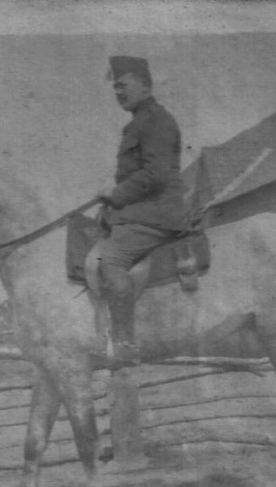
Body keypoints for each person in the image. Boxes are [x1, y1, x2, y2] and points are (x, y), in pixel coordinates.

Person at [95, 55, 186, 368]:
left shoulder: (157, 121)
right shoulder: (139, 122)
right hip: (143, 211)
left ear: (146, 86)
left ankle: (124, 343)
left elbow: (156, 174)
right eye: (115, 87)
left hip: (159, 213)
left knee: (110, 260)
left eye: (124, 85)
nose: (118, 91)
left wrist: (115, 194)